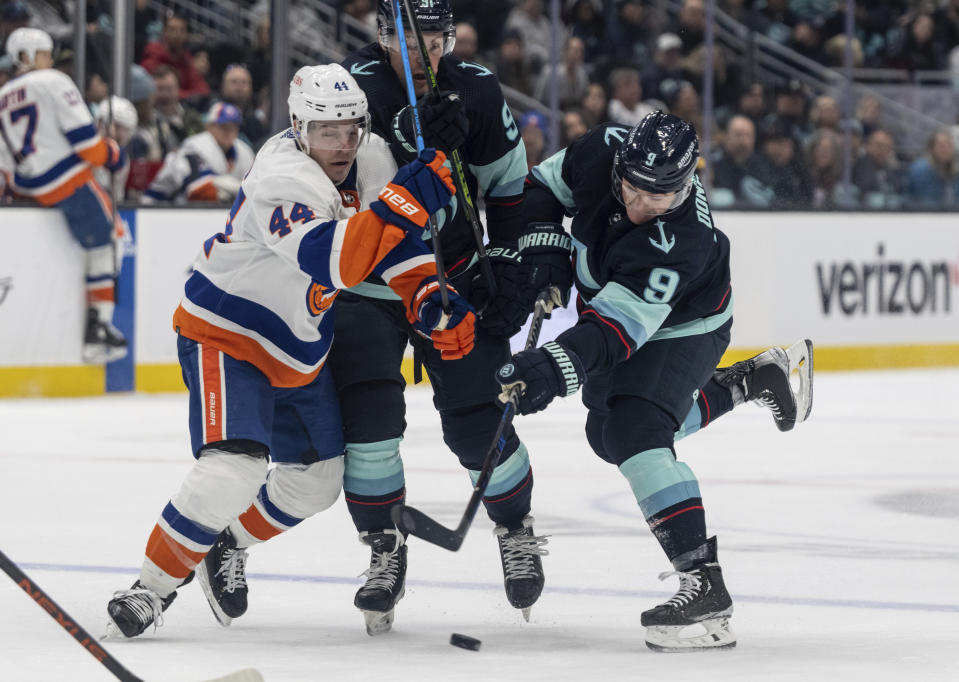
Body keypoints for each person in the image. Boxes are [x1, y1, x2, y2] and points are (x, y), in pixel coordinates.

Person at [104, 63, 475, 638]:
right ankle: (150, 589)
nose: (343, 144)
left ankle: (222, 541)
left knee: (317, 482)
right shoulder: (280, 176)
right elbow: (338, 262)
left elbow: (392, 246)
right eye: (328, 131)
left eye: (352, 128)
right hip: (228, 331)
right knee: (234, 467)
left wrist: (429, 296)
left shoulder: (370, 156)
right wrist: (407, 200)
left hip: (297, 346)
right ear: (298, 127)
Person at [496, 111, 814, 651]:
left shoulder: (677, 241)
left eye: (660, 196)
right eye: (634, 188)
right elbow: (540, 187)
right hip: (622, 309)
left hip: (687, 326)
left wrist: (548, 368)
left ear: (686, 184)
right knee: (606, 433)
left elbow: (615, 332)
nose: (643, 204)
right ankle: (749, 382)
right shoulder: (601, 150)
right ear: (620, 163)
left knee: (635, 433)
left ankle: (704, 583)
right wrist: (544, 241)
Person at [330, 0, 542, 633]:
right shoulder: (352, 89)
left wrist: (508, 263)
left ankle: (514, 526)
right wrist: (409, 138)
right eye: (406, 38)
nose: (421, 53)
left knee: (479, 420)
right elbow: (342, 187)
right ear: (382, 36)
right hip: (371, 284)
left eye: (433, 38)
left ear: (450, 38)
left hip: (454, 276)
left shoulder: (476, 89)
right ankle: (384, 546)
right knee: (368, 424)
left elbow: (508, 186)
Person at [0, 27, 128, 363]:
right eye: (44, 53)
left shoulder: (1, 97)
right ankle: (98, 330)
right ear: (26, 57)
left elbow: (3, 166)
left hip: (27, 188)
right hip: (68, 182)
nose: (50, 59)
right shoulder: (52, 81)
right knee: (110, 241)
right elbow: (88, 146)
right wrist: (113, 154)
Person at [142, 101, 255, 203]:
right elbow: (199, 189)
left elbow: (254, 191)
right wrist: (241, 190)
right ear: (209, 126)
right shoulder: (194, 145)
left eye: (233, 127)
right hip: (159, 207)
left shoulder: (244, 151)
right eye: (223, 127)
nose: (228, 132)